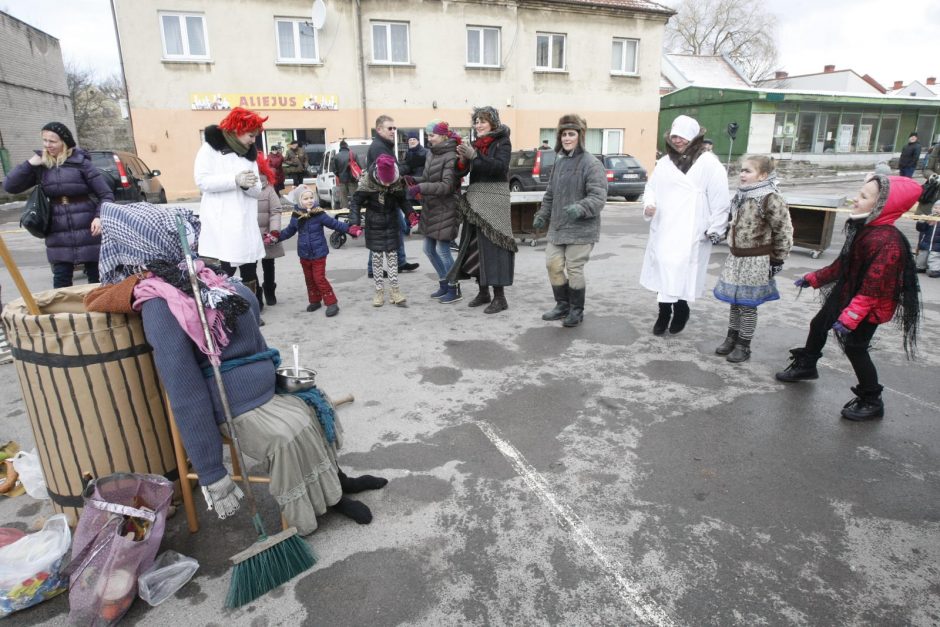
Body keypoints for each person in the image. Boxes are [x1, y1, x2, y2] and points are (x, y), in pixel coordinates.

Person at [95, 201, 387, 535]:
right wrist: (211, 471)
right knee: (286, 435)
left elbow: (248, 320)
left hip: (262, 384)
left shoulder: (202, 277)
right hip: (234, 405)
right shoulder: (160, 303)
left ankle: (338, 483)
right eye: (183, 233)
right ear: (152, 243)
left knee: (313, 407)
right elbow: (183, 390)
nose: (193, 237)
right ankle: (323, 505)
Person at [775, 174, 921, 422]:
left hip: (867, 306)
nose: (856, 199)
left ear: (882, 206)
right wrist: (816, 278)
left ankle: (872, 399)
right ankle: (807, 365)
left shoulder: (887, 240)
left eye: (864, 196)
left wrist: (852, 316)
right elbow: (843, 264)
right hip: (847, 294)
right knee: (818, 324)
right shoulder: (866, 228)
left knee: (855, 348)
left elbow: (874, 288)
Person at [640, 115, 730, 335]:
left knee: (681, 270)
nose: (677, 141)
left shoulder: (708, 162)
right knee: (662, 266)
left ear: (693, 136)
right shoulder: (664, 162)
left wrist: (716, 228)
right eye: (674, 136)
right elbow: (651, 188)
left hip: (692, 225)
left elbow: (720, 198)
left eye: (682, 136)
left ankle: (681, 309)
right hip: (665, 224)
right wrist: (649, 205)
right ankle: (663, 312)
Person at [3, 122, 114, 288]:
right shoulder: (42, 165)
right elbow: (10, 186)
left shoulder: (82, 163)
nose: (48, 145)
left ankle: (99, 313)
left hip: (88, 228)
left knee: (97, 281)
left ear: (64, 142)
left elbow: (106, 195)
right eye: (45, 141)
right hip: (57, 229)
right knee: (61, 283)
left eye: (52, 141)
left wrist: (99, 217)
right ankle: (64, 314)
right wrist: (30, 164)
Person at [712, 155, 793, 362]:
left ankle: (744, 344)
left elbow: (783, 230)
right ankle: (731, 338)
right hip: (736, 258)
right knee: (734, 302)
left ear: (763, 175)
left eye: (748, 171)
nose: (742, 174)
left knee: (747, 305)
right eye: (741, 170)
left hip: (756, 259)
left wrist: (777, 259)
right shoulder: (741, 195)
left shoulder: (769, 197)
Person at [532, 114, 608, 328]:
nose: (567, 138)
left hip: (582, 228)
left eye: (571, 134)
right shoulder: (559, 162)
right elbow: (550, 194)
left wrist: (581, 207)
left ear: (580, 136)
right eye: (564, 134)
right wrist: (542, 214)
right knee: (552, 265)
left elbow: (598, 196)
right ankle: (562, 305)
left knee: (574, 268)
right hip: (558, 226)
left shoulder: (591, 163)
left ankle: (576, 310)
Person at [193, 107, 267, 307]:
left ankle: (252, 307)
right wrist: (234, 179)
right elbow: (202, 181)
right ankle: (225, 308)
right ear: (238, 129)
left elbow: (257, 190)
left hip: (245, 221)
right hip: (222, 221)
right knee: (225, 268)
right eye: (251, 135)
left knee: (250, 266)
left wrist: (247, 185)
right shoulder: (210, 148)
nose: (254, 141)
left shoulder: (249, 154)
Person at [449, 106, 516, 314]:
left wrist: (475, 157)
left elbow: (499, 167)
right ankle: (483, 291)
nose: (478, 125)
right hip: (476, 198)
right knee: (474, 246)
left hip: (495, 199)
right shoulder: (476, 144)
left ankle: (500, 297)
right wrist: (462, 160)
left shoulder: (502, 141)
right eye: (476, 121)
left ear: (493, 123)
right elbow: (462, 171)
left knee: (494, 247)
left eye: (482, 121)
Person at [275, 189, 361, 316]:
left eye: (311, 197)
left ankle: (331, 303)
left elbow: (334, 224)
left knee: (319, 278)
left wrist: (350, 229)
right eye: (305, 198)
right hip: (304, 253)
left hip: (319, 252)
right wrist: (276, 238)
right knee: (309, 279)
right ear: (299, 201)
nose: (310, 200)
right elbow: (289, 231)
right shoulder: (296, 216)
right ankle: (315, 300)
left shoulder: (319, 214)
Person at [350, 154, 419, 307]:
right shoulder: (367, 182)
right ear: (377, 176)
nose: (387, 185)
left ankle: (395, 291)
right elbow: (355, 203)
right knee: (377, 260)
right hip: (374, 224)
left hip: (392, 223)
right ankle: (379, 291)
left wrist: (411, 214)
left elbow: (403, 200)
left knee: (393, 260)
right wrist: (354, 223)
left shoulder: (397, 181)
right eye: (384, 182)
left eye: (390, 182)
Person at [406, 121, 462, 304]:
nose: (429, 138)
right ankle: (444, 283)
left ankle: (454, 288)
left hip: (446, 208)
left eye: (432, 135)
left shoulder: (451, 155)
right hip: (432, 207)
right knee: (428, 249)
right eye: (428, 135)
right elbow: (429, 178)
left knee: (443, 250)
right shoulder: (432, 153)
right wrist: (414, 180)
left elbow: (447, 185)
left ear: (443, 136)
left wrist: (421, 187)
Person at [365, 115, 418, 275]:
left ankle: (400, 262)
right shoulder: (379, 147)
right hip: (383, 197)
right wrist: (406, 167)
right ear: (379, 129)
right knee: (381, 234)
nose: (393, 131)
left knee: (399, 227)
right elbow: (389, 173)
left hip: (389, 196)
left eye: (394, 128)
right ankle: (373, 269)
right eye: (390, 128)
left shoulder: (384, 145)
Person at [256, 158, 285, 306]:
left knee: (268, 264)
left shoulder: (268, 189)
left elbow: (275, 211)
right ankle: (256, 295)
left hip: (267, 234)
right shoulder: (241, 188)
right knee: (250, 266)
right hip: (250, 235)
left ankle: (269, 289)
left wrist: (274, 231)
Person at [914, 202, 940, 277]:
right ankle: (921, 267)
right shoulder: (928, 218)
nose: (937, 210)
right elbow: (920, 229)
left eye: (939, 209)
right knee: (922, 256)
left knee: (934, 257)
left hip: (937, 244)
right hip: (925, 242)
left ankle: (935, 270)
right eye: (935, 208)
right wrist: (921, 221)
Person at [331, 140, 358, 210]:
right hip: (353, 179)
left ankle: (344, 210)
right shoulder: (353, 154)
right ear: (347, 146)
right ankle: (355, 209)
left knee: (343, 196)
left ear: (340, 147)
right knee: (354, 196)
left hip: (342, 180)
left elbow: (334, 170)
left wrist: (339, 175)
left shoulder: (336, 156)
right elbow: (359, 167)